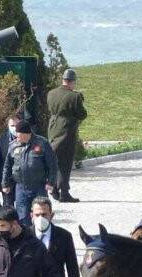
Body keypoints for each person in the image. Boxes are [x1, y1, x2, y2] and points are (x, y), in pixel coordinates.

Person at [2, 121, 58, 224]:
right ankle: (27, 234)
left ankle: (41, 233)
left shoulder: (42, 143)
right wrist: (5, 184)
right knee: (22, 218)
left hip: (39, 187)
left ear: (26, 134)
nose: (16, 137)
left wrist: (51, 182)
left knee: (41, 215)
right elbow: (7, 166)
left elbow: (53, 165)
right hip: (21, 187)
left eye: (18, 134)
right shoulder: (13, 145)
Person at [46, 68, 87, 203]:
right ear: (72, 81)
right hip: (67, 130)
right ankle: (63, 192)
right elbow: (82, 114)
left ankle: (55, 188)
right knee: (66, 162)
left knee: (54, 160)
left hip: (53, 128)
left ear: (63, 79)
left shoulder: (51, 93)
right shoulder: (75, 96)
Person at [0, 115, 22, 207]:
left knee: (22, 206)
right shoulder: (2, 139)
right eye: (12, 125)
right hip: (6, 179)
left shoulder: (27, 138)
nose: (15, 128)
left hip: (22, 179)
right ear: (8, 126)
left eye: (17, 125)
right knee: (8, 207)